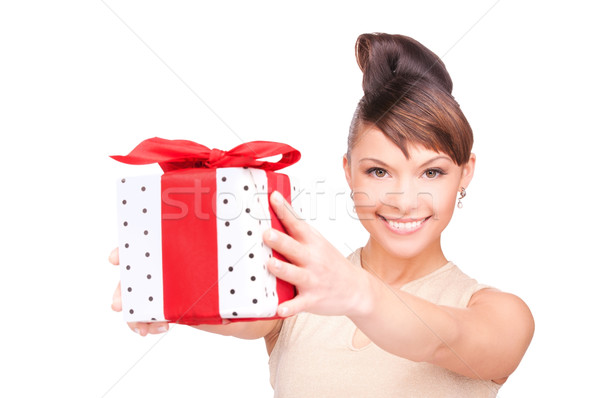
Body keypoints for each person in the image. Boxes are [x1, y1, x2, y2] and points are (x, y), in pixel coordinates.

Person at [110, 33, 534, 397]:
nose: (405, 201)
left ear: (466, 173)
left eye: (432, 172)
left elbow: (445, 340)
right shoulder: (298, 295)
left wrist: (356, 292)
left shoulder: (500, 315)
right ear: (348, 171)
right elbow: (228, 305)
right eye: (379, 171)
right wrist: (165, 288)